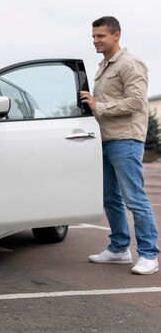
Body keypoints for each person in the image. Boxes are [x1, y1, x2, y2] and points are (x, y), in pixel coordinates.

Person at [81, 16, 159, 275]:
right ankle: (118, 249)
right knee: (109, 198)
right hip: (104, 139)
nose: (95, 41)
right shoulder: (103, 66)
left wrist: (98, 106)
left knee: (134, 198)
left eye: (100, 36)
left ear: (116, 35)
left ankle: (149, 254)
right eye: (93, 36)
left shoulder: (130, 64)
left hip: (125, 139)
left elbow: (137, 101)